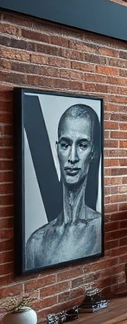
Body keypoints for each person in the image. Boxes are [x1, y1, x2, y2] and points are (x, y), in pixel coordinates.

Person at [25, 104, 102, 270]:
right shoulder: (36, 243)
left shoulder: (101, 229)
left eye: (82, 145)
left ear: (93, 152)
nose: (72, 158)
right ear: (57, 149)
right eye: (65, 145)